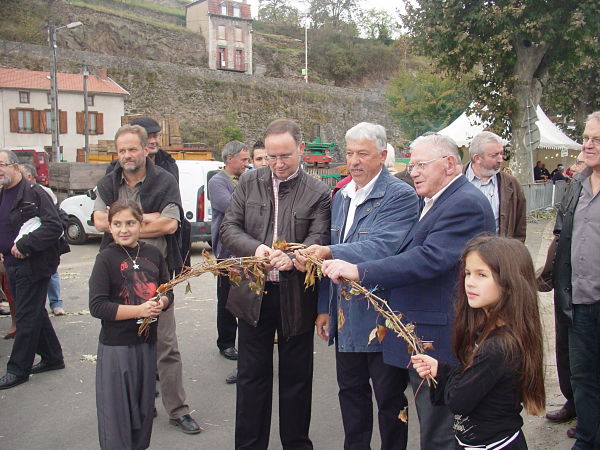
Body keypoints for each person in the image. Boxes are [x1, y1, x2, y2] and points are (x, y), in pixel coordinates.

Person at [321, 133, 496, 450]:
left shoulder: (464, 203)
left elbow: (429, 258)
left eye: (421, 164)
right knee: (432, 426)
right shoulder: (437, 200)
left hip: (442, 337)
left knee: (441, 431)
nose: (413, 171)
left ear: (449, 164)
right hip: (426, 333)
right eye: (411, 164)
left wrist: (360, 270)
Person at [296, 122, 419, 449]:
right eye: (350, 153)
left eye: (363, 154)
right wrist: (324, 309)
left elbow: (382, 247)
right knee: (351, 396)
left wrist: (328, 251)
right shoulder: (341, 197)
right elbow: (327, 262)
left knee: (390, 400)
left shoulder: (401, 196)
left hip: (382, 317)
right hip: (345, 317)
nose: (354, 161)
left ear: (382, 155)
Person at [220, 119, 330, 449]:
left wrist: (294, 258)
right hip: (253, 292)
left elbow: (320, 236)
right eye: (271, 157)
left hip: (295, 294)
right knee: (252, 377)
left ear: (300, 150)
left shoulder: (319, 192)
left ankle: (296, 443)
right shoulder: (249, 182)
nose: (278, 164)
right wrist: (257, 249)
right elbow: (229, 228)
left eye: (285, 156)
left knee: (296, 378)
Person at [93, 124, 201, 434]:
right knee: (126, 344)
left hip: (155, 272)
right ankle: (139, 404)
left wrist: (124, 224)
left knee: (165, 344)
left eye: (132, 149)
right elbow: (99, 219)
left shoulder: (164, 180)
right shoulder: (108, 181)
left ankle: (178, 410)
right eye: (121, 150)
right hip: (116, 274)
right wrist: (146, 218)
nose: (126, 155)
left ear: (145, 149)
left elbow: (169, 224)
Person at [411, 235, 545, 449]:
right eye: (467, 273)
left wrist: (452, 375)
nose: (470, 282)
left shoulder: (498, 346)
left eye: (482, 275)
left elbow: (458, 401)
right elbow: (474, 378)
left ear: (510, 284)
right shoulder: (486, 331)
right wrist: (441, 370)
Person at [90, 200, 172, 450]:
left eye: (130, 223)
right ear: (110, 227)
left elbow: (167, 289)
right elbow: (98, 306)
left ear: (141, 224)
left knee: (142, 410)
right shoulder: (106, 259)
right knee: (117, 414)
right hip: (117, 347)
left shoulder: (153, 254)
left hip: (146, 345)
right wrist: (139, 310)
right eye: (117, 224)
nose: (124, 229)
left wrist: (162, 301)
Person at [549, 111, 600, 448]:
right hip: (580, 302)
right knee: (583, 376)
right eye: (586, 137)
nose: (588, 144)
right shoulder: (578, 183)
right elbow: (561, 232)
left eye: (596, 139)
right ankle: (587, 438)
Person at [0, 149, 65, 389]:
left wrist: (25, 244)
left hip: (33, 264)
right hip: (12, 264)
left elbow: (53, 226)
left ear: (16, 167)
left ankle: (18, 369)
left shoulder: (34, 193)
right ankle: (52, 357)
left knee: (26, 316)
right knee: (34, 311)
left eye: (2, 164)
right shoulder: (2, 194)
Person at [208, 141, 250, 387]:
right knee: (225, 298)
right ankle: (225, 342)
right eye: (243, 160)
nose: (246, 164)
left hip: (243, 249)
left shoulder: (242, 179)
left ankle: (241, 342)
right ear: (230, 159)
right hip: (226, 250)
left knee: (243, 297)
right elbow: (232, 207)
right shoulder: (217, 182)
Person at [20, 163, 65, 315]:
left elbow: (56, 220)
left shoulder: (43, 192)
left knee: (51, 273)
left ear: (29, 176)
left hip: (46, 243)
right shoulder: (18, 193)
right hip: (26, 246)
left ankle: (56, 303)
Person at [465, 131, 527, 241]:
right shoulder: (453, 181)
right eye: (494, 155)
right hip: (460, 255)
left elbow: (520, 230)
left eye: (501, 153)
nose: (500, 159)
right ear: (477, 158)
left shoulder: (512, 185)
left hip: (498, 255)